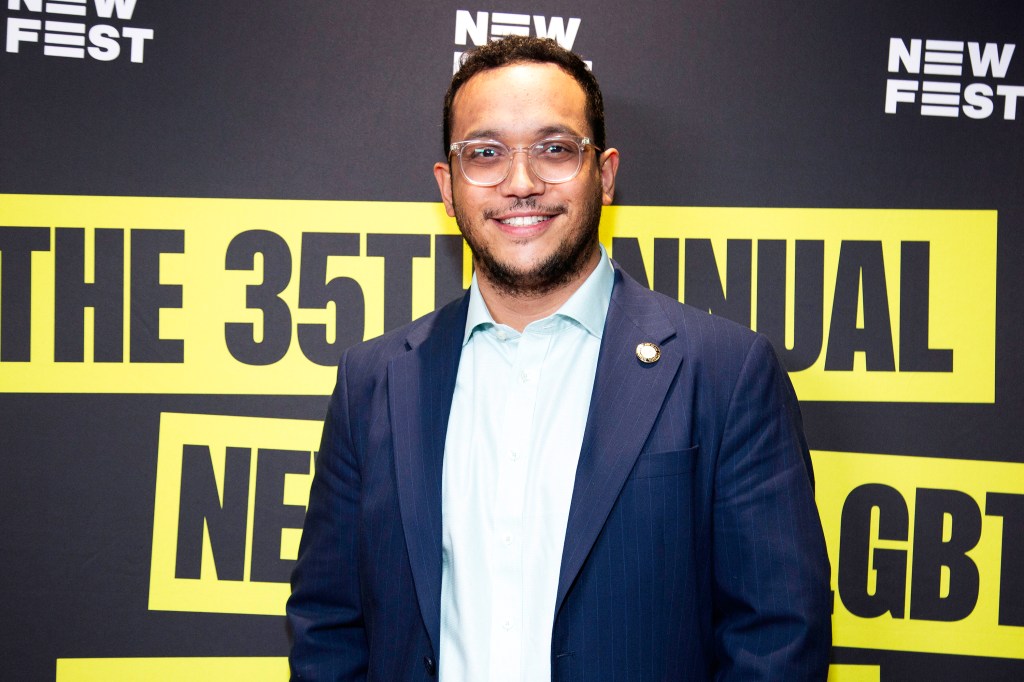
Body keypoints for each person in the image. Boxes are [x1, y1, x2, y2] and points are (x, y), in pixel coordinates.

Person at [287, 35, 832, 681]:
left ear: (603, 175)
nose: (521, 183)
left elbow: (777, 637)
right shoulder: (373, 381)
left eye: (554, 149)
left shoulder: (725, 373)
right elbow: (328, 625)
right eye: (484, 153)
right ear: (448, 184)